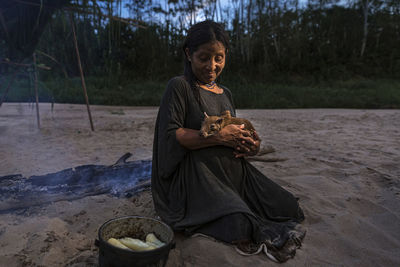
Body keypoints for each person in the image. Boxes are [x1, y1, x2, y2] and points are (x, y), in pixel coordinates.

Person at [151, 20, 305, 262]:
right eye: (204, 58)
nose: (212, 65)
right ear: (189, 54)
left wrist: (251, 147)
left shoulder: (227, 94)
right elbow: (173, 136)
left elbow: (235, 132)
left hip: (237, 176)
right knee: (240, 226)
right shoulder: (179, 86)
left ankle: (234, 202)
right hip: (199, 178)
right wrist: (218, 137)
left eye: (218, 58)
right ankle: (222, 210)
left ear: (226, 56)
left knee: (288, 208)